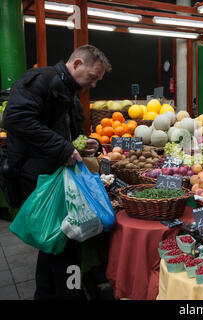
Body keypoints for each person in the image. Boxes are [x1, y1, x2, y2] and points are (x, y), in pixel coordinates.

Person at [3, 44, 112, 300]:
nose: (93, 84)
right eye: (92, 77)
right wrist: (62, 148)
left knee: (52, 242)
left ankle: (45, 293)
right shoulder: (40, 81)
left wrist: (83, 142)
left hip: (54, 176)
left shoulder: (68, 92)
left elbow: (61, 131)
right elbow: (15, 119)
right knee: (65, 243)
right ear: (76, 64)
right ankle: (69, 294)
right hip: (38, 178)